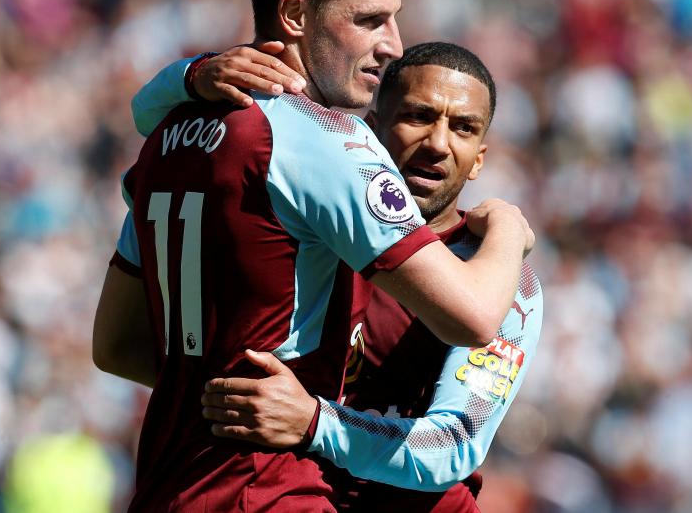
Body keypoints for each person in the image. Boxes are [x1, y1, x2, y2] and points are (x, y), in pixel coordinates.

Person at [92, 0, 534, 513]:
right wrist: (510, 227)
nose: (392, 47)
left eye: (394, 20)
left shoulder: (168, 138)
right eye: (371, 21)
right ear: (296, 14)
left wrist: (188, 74)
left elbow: (116, 345)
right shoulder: (325, 140)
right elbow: (476, 316)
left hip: (171, 484)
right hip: (265, 492)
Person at [134, 41, 544, 511]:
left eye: (463, 129)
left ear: (479, 159)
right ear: (369, 131)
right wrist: (191, 75)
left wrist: (315, 422)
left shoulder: (497, 279)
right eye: (418, 116)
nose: (438, 143)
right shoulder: (302, 231)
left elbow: (456, 444)